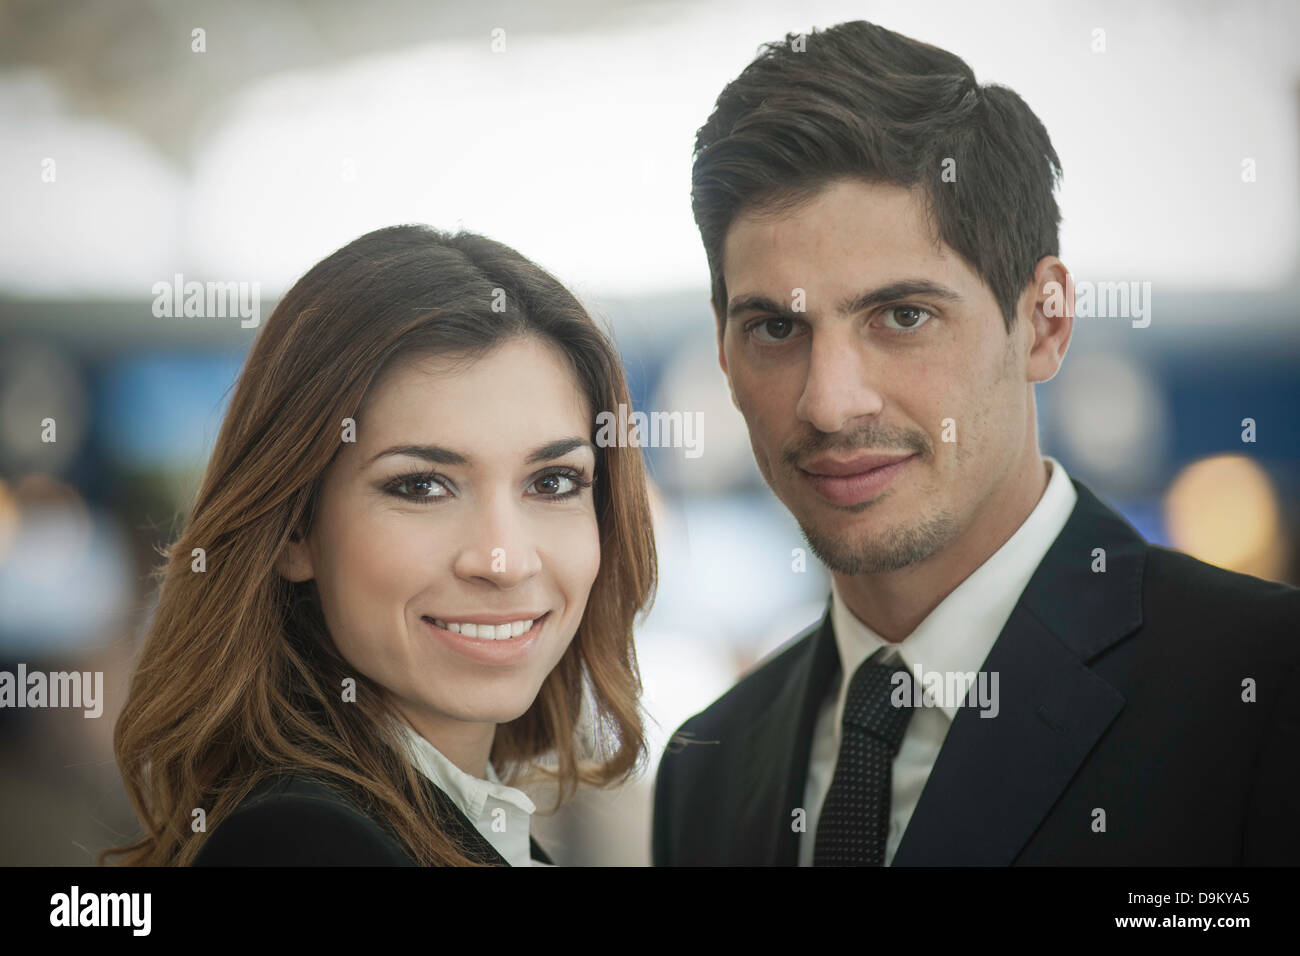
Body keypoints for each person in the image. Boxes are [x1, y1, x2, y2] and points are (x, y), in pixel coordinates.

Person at [653, 20, 1300, 866]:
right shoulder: (708, 768)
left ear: (1044, 322)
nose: (830, 403)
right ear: (721, 348)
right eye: (775, 327)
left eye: (903, 317)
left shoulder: (1265, 691)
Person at [104, 224, 657, 866]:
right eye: (422, 486)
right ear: (294, 530)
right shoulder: (301, 844)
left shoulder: (452, 818)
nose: (504, 560)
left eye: (553, 481)